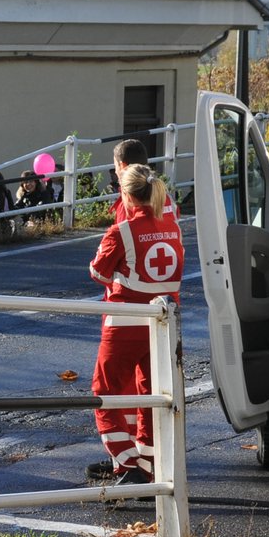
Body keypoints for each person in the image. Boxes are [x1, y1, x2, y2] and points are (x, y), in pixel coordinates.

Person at [88, 163, 183, 485]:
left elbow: (98, 272)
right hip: (163, 324)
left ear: (126, 195)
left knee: (105, 392)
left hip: (125, 321)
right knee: (150, 394)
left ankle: (127, 461)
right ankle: (148, 463)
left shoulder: (122, 230)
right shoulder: (173, 227)